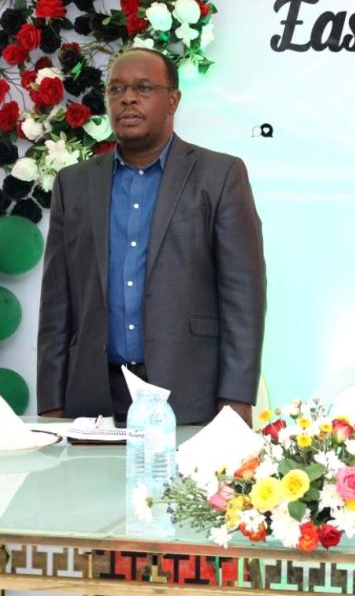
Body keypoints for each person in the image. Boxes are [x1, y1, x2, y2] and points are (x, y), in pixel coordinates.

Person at [37, 48, 266, 426]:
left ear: (172, 100)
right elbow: (56, 303)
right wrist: (51, 400)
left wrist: (237, 396)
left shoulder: (219, 175)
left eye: (144, 88)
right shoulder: (74, 184)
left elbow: (243, 296)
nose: (127, 98)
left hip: (191, 392)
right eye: (116, 89)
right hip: (94, 397)